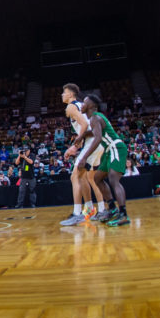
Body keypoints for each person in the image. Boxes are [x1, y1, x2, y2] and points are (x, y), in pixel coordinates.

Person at [78, 95, 131, 225]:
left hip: (116, 147)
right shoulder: (95, 118)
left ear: (91, 106)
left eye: (84, 103)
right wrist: (82, 136)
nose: (82, 105)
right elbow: (96, 132)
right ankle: (112, 209)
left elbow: (97, 138)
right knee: (97, 178)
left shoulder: (95, 118)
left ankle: (123, 214)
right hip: (109, 150)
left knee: (113, 179)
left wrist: (84, 157)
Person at [60, 83, 99, 226]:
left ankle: (77, 213)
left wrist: (74, 146)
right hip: (94, 140)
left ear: (71, 94)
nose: (62, 95)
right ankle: (91, 209)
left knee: (75, 176)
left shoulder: (70, 107)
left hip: (91, 141)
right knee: (84, 177)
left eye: (64, 92)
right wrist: (76, 147)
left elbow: (84, 125)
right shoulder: (81, 104)